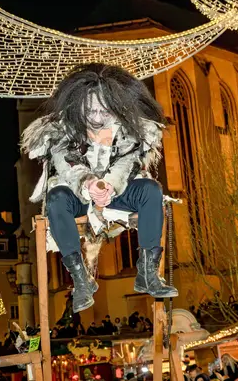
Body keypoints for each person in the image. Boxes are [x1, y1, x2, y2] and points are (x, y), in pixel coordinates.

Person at [21, 63, 177, 313]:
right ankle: (81, 280)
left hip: (117, 190)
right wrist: (88, 183)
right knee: (56, 197)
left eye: (102, 111)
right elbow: (67, 165)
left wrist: (109, 186)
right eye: (90, 110)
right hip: (78, 193)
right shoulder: (62, 132)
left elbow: (127, 163)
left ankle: (147, 274)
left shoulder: (129, 131)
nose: (95, 117)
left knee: (151, 190)